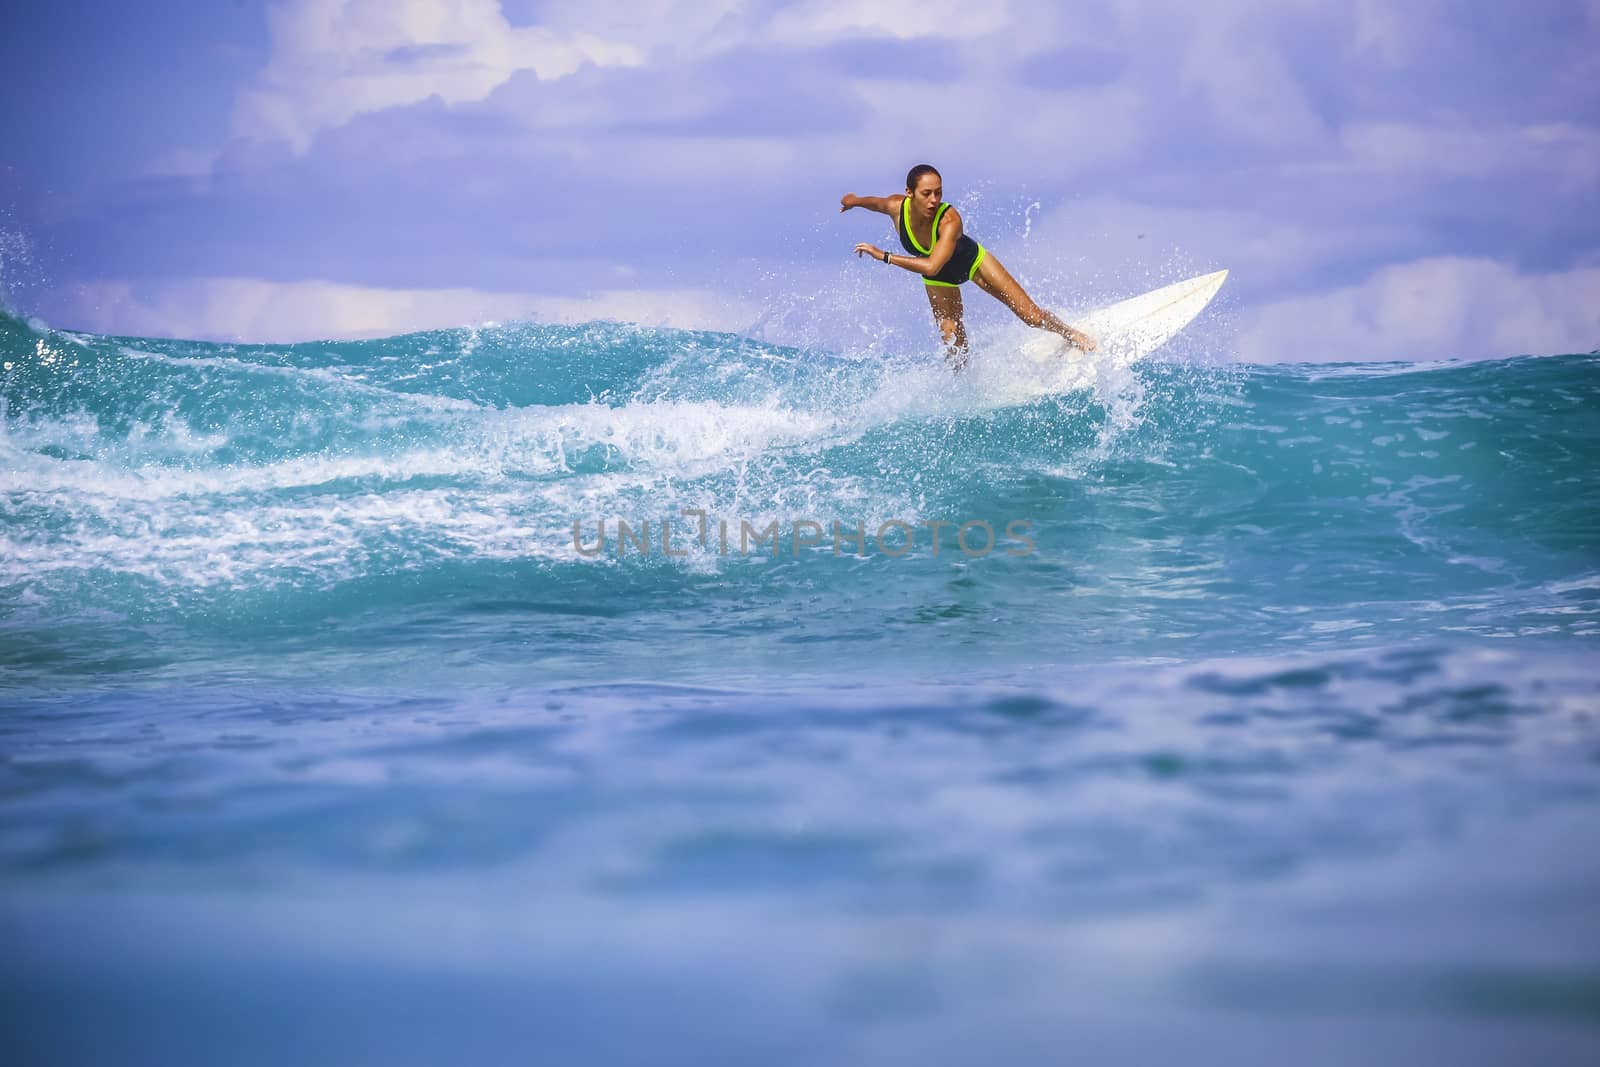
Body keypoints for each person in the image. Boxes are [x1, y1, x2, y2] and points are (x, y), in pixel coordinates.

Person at [841, 164, 1096, 371]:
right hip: (940, 279)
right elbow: (871, 202)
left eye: (938, 193)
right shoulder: (896, 207)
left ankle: (1070, 333)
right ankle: (962, 388)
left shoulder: (949, 219)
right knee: (953, 342)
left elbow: (931, 265)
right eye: (926, 193)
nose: (933, 200)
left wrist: (883, 255)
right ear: (909, 193)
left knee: (1032, 317)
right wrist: (852, 201)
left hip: (971, 262)